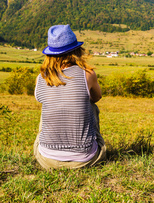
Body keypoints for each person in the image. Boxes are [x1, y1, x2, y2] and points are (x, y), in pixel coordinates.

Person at [34, 24, 106, 169]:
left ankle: (53, 149)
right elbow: (97, 97)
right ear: (76, 50)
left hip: (47, 159)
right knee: (91, 105)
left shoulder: (41, 78)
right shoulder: (88, 74)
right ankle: (85, 146)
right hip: (84, 160)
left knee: (48, 106)